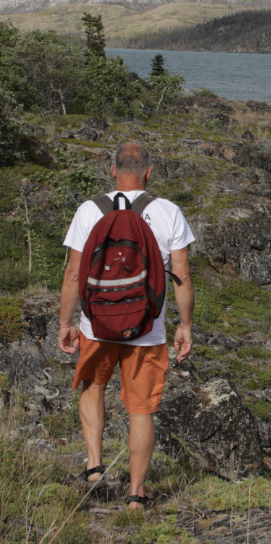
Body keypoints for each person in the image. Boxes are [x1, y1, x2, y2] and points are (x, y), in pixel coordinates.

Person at [58, 141, 195, 509]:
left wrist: (66, 321)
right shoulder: (168, 212)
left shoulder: (90, 211)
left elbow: (74, 273)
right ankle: (135, 493)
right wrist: (185, 324)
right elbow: (180, 274)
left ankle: (93, 468)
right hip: (147, 331)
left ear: (113, 170)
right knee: (141, 409)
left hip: (96, 326)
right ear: (149, 172)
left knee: (93, 386)